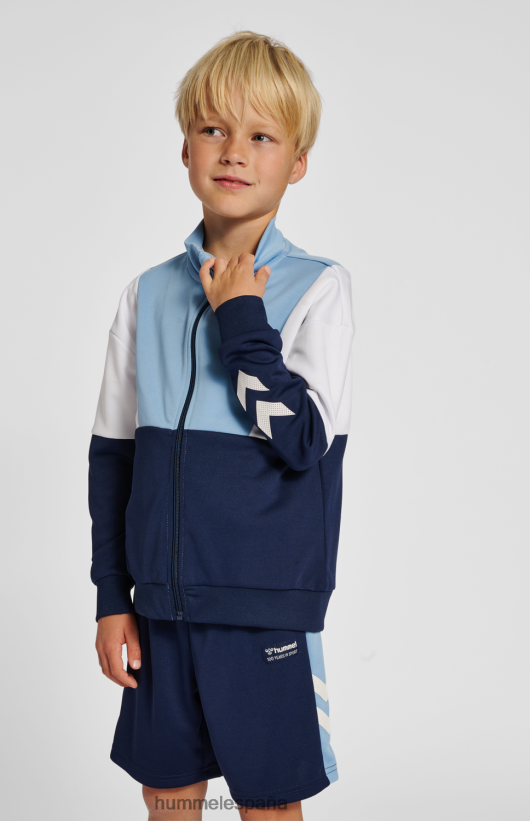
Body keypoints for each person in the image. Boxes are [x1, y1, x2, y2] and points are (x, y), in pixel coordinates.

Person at [88, 30, 354, 821]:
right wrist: (112, 595)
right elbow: (113, 459)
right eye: (213, 129)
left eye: (262, 136)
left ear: (296, 162)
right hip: (160, 606)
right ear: (185, 148)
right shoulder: (147, 294)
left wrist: (241, 317)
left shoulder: (318, 288)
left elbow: (301, 440)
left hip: (261, 610)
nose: (234, 151)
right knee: (168, 793)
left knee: (265, 801)